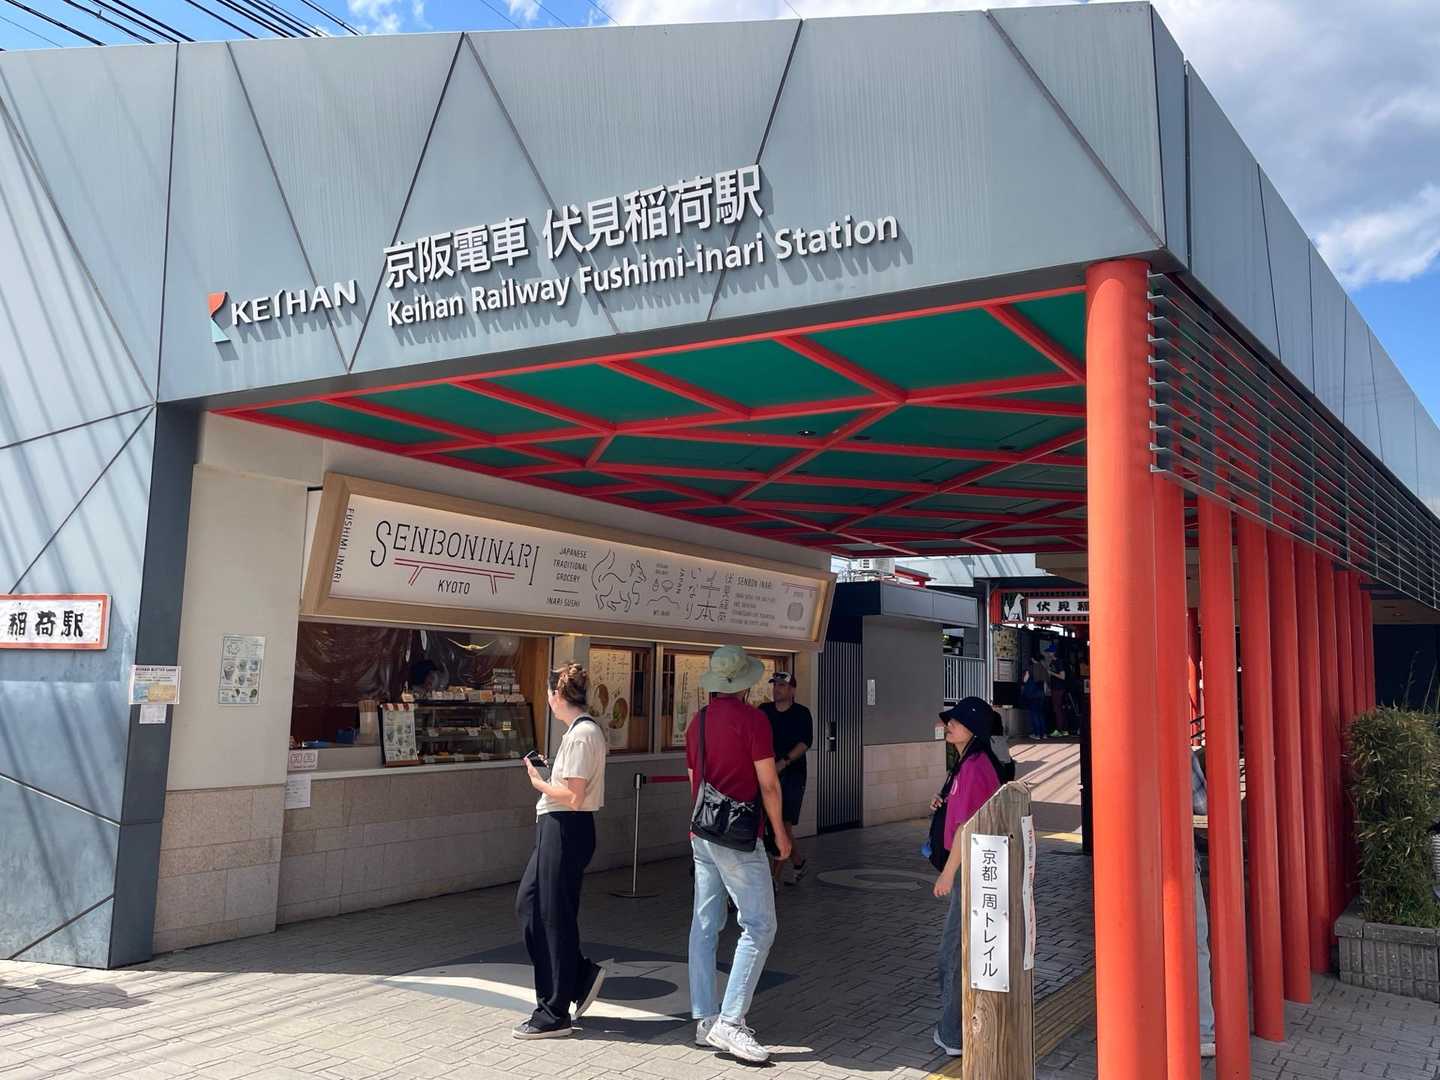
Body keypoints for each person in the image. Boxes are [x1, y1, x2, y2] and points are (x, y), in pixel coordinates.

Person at [686, 645, 789, 1064]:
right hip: (738, 836)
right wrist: (780, 833)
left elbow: (694, 781)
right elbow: (768, 784)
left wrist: (697, 826)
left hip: (702, 831)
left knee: (705, 924)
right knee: (760, 925)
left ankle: (704, 1019)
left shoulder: (698, 721)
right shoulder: (753, 720)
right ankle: (730, 1021)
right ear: (745, 684)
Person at [513, 663, 609, 1039]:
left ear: (556, 695)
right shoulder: (578, 732)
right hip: (559, 828)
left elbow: (573, 796)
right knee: (532, 906)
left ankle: (554, 1011)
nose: (548, 700)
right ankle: (578, 975)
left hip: (566, 827)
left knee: (552, 916)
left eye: (548, 693)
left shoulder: (582, 734)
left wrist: (538, 780)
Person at [930, 697, 1006, 1058]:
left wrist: (947, 874)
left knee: (954, 953)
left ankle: (953, 1034)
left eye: (956, 722)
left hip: (971, 869)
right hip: (977, 867)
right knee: (963, 950)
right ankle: (964, 1028)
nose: (949, 726)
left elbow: (966, 826)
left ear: (974, 730)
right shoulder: (969, 763)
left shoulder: (974, 767)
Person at [761, 671, 813, 885]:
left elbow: (805, 742)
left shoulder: (802, 713)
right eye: (775, 685)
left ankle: (773, 879)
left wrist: (784, 762)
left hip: (792, 775)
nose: (777, 689)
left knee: (782, 824)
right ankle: (798, 862)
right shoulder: (763, 711)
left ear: (792, 690)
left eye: (782, 685)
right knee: (771, 825)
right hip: (767, 773)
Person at [1191, 749, 1217, 1059]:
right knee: (1195, 945)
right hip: (1179, 863)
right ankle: (1201, 1031)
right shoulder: (1178, 751)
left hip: (1126, 872)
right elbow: (1204, 806)